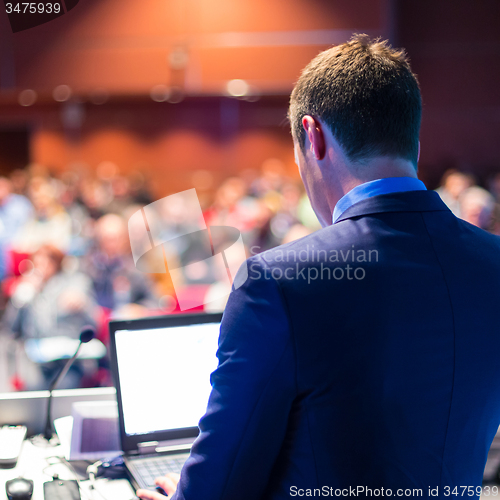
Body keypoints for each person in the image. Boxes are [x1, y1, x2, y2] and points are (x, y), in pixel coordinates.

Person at [137, 34, 500, 500]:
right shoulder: (492, 262)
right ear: (412, 134)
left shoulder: (279, 281)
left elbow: (219, 487)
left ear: (312, 135)